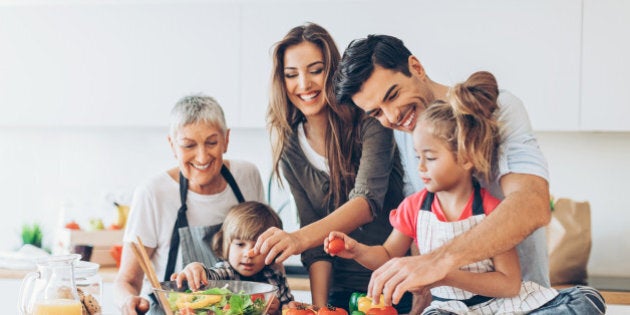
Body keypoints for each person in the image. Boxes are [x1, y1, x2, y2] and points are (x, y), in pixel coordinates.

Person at [326, 71, 606, 314]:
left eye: (431, 158)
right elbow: (389, 255)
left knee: (585, 299)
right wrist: (358, 250)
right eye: (417, 157)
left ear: (465, 158)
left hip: (501, 306)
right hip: (449, 309)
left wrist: (444, 273)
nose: (420, 167)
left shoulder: (492, 212)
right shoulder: (415, 207)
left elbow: (509, 284)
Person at [333, 34, 552, 306]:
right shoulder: (406, 131)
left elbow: (532, 203)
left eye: (393, 95)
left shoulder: (500, 109)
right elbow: (419, 232)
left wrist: (439, 264)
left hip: (523, 303)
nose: (392, 117)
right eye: (377, 112)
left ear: (416, 67)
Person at [253, 23, 411, 312]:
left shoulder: (371, 121)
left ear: (334, 72)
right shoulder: (290, 146)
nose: (304, 84)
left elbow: (366, 203)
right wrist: (319, 308)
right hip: (338, 292)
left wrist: (297, 238)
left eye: (315, 70)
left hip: (393, 284)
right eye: (291, 75)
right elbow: (315, 249)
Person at [114, 95, 265, 315]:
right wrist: (128, 301)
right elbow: (126, 280)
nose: (202, 156)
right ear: (172, 145)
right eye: (189, 145)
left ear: (226, 139)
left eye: (211, 142)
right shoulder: (153, 193)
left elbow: (269, 257)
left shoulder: (247, 176)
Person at [171, 201, 294, 315]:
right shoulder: (226, 272)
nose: (248, 254)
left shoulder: (276, 277)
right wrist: (197, 268)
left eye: (258, 247)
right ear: (226, 245)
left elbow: (290, 308)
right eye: (240, 244)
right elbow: (209, 277)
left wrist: (278, 310)